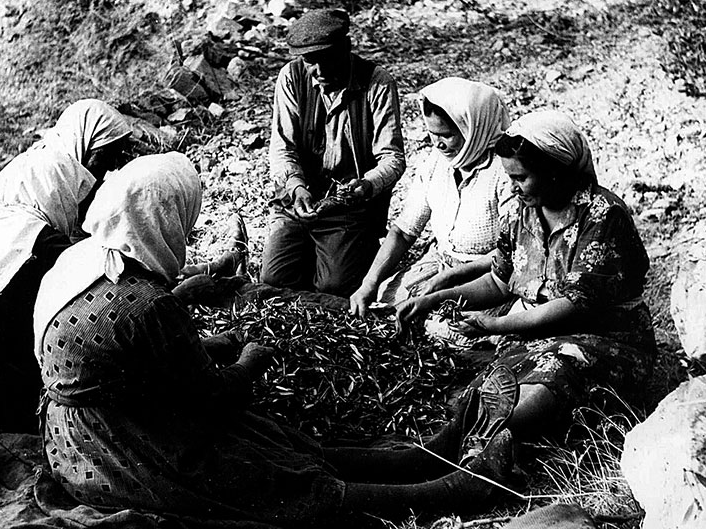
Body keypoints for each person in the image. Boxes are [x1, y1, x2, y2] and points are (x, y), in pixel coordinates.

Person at [33, 152, 517, 528]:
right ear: (160, 217)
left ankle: (418, 457)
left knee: (268, 438)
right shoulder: (146, 302)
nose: (187, 229)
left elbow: (132, 360)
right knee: (266, 473)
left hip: (78, 431)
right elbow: (216, 397)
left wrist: (215, 345)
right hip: (118, 449)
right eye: (184, 217)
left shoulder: (81, 261)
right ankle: (451, 491)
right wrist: (249, 358)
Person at [395, 110, 655, 441]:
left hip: (605, 340)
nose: (513, 187)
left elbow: (575, 306)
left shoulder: (602, 216)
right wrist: (434, 299)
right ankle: (463, 444)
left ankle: (481, 442)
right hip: (542, 337)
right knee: (484, 385)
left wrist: (494, 325)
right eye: (510, 177)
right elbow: (499, 281)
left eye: (521, 177)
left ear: (555, 172)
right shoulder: (523, 213)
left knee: (554, 375)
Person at [0, 99, 139, 435]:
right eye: (106, 158)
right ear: (83, 150)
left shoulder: (13, 193)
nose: (108, 172)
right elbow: (108, 279)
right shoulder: (36, 231)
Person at [261, 8, 405, 298]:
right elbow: (282, 147)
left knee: (335, 287)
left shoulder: (376, 83)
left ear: (347, 48)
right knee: (274, 279)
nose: (321, 71)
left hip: (348, 207)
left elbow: (393, 158)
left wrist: (367, 185)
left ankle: (353, 250)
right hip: (300, 202)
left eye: (328, 59)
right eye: (310, 62)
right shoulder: (291, 78)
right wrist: (296, 187)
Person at [349, 77, 513, 318]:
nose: (439, 145)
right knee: (386, 303)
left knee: (452, 326)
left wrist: (449, 278)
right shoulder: (436, 163)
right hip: (442, 261)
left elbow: (512, 250)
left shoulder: (504, 172)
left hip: (487, 275)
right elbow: (404, 231)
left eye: (447, 135)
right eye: (432, 133)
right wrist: (369, 282)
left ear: (473, 128)